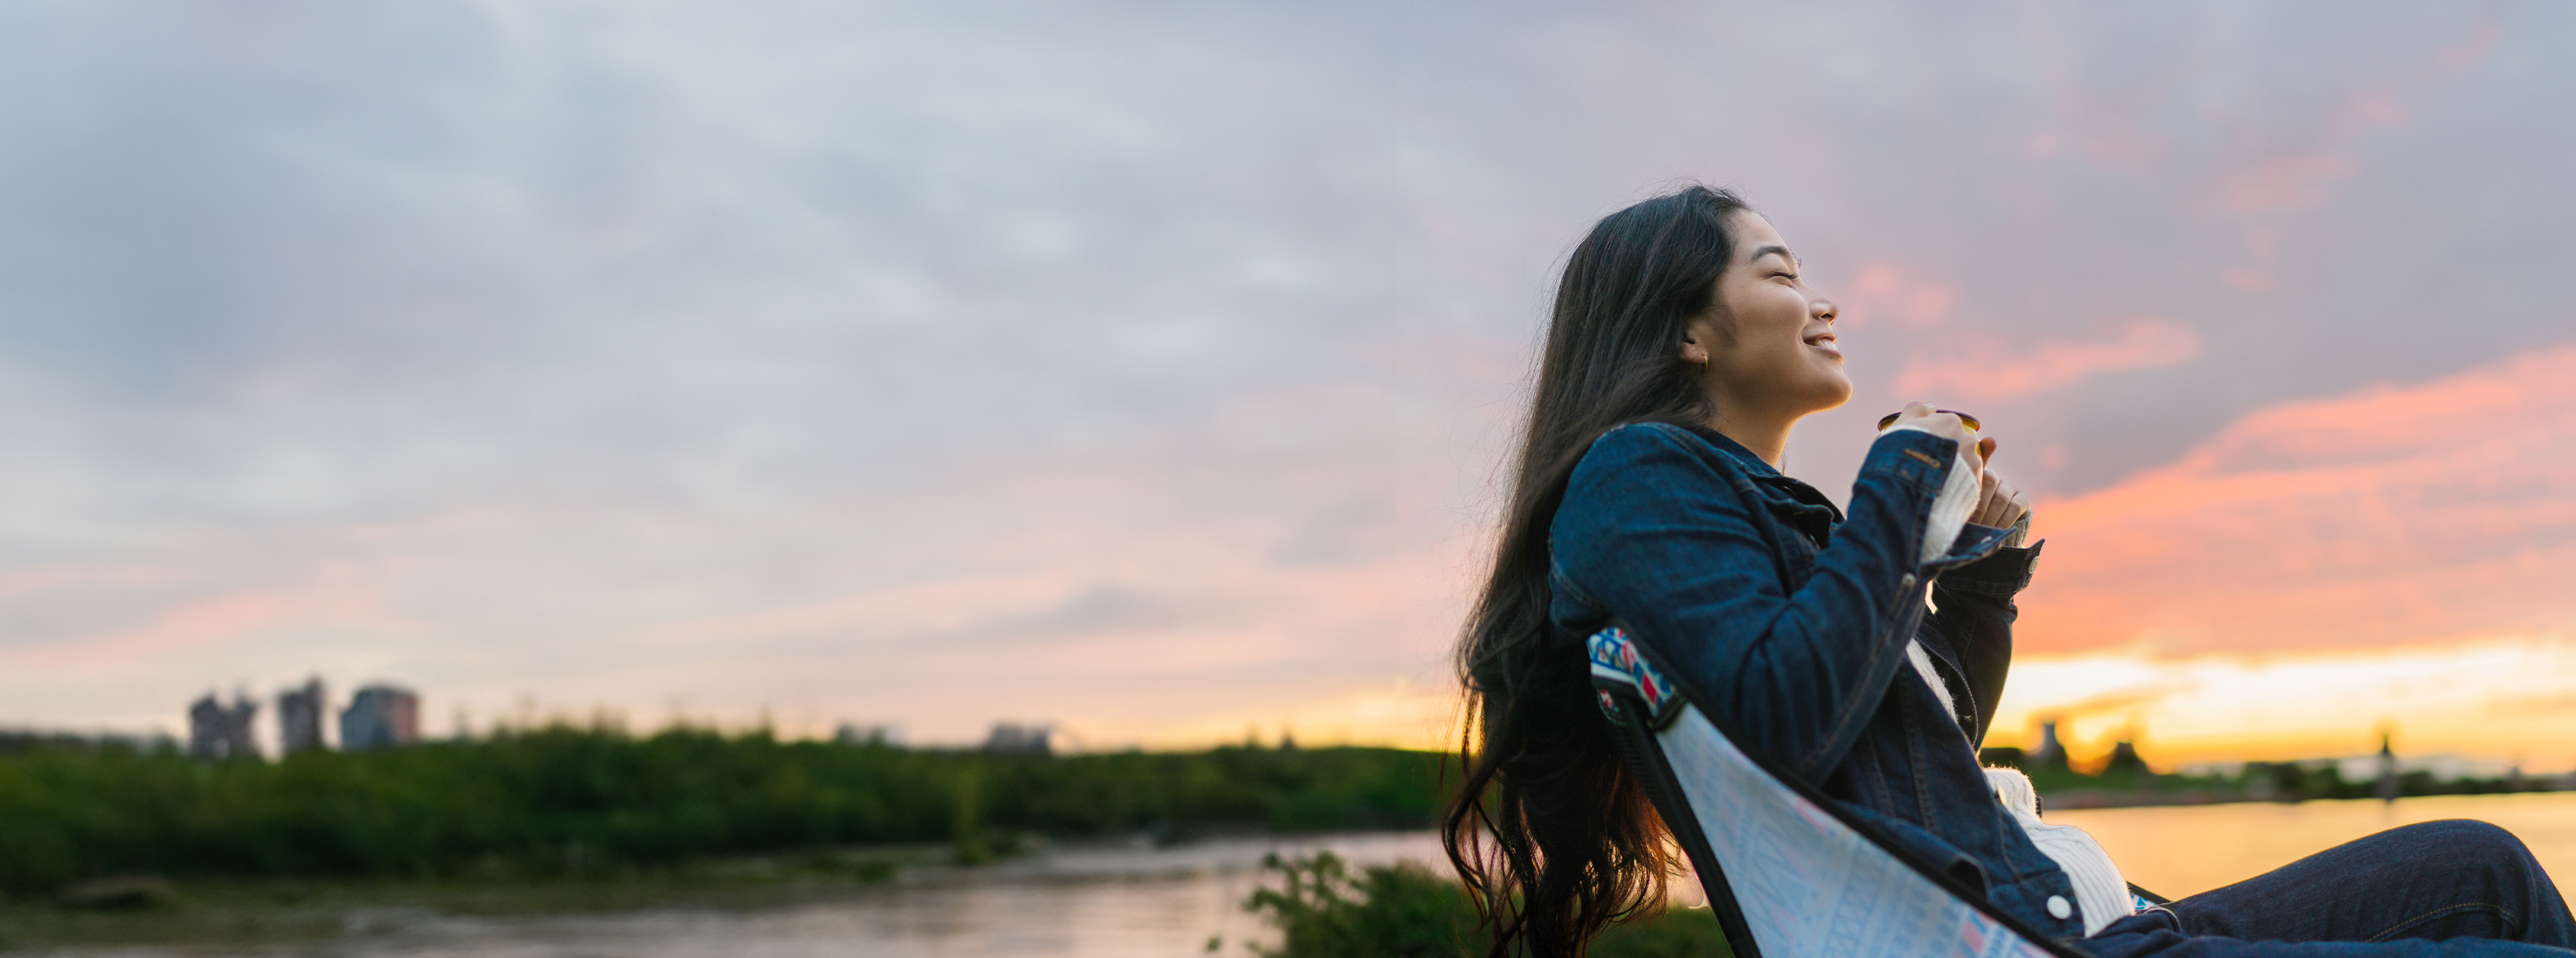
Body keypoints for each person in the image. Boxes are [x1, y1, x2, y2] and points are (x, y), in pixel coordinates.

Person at [1440, 183, 2576, 957]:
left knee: (2485, 863)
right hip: (2052, 940)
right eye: (1781, 270)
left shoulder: (1738, 511)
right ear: (1687, 331)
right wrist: (1901, 469)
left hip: (2090, 908)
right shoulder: (1636, 475)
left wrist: (1976, 580)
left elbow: (1913, 755)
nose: (1823, 302)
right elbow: (1787, 714)